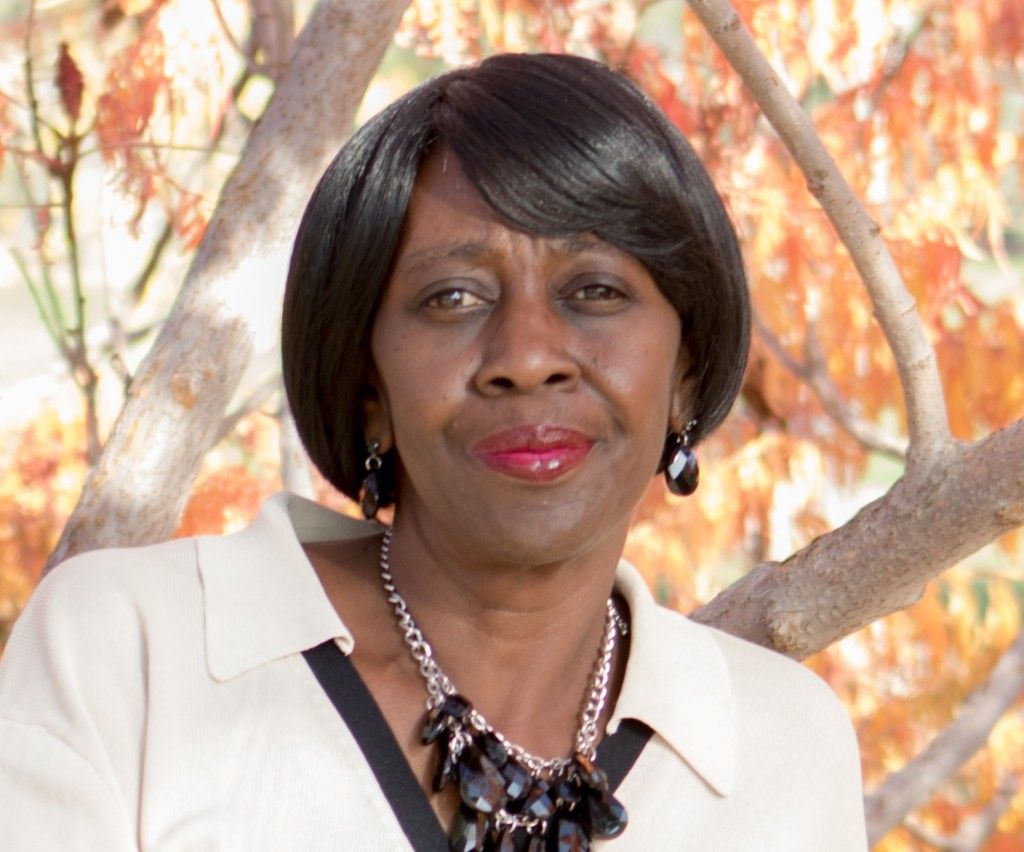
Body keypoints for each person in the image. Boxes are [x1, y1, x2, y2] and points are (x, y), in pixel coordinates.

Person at [0, 53, 867, 850]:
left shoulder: (785, 748)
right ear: (368, 389)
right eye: (453, 298)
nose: (527, 356)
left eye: (596, 290)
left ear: (684, 373)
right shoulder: (130, 654)